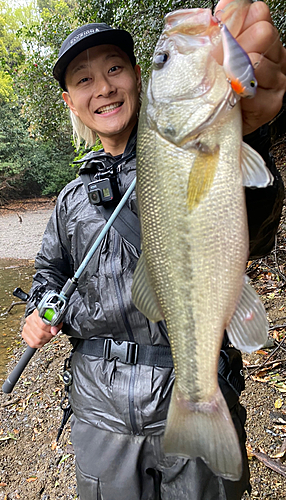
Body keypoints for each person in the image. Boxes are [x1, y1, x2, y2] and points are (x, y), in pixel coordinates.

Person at [22, 0, 286, 498]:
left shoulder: (187, 144)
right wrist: (41, 309)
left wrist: (254, 130)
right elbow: (49, 271)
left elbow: (254, 227)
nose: (102, 88)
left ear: (138, 78)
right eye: (84, 80)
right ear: (69, 102)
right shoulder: (69, 199)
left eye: (114, 69)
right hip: (99, 410)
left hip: (189, 381)